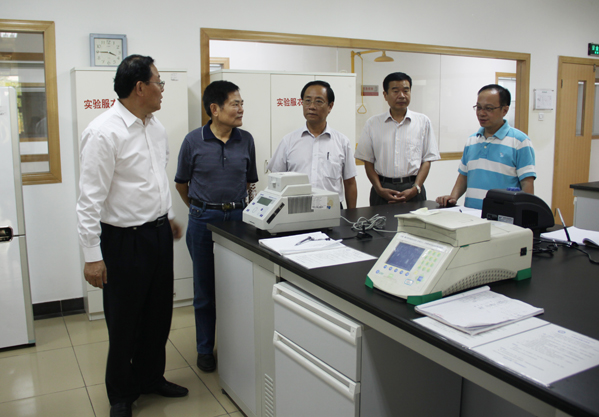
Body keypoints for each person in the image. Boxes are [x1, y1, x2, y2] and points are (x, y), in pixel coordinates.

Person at [76, 55, 188, 417]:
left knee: (159, 314)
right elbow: (89, 200)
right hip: (123, 241)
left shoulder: (155, 127)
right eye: (159, 82)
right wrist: (92, 256)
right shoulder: (103, 132)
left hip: (157, 234)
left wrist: (168, 217)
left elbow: (155, 178)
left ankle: (151, 377)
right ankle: (121, 395)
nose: (162, 89)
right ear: (140, 87)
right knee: (125, 321)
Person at [175, 80, 258, 373]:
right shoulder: (193, 141)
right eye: (235, 104)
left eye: (241, 103)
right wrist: (199, 209)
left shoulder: (246, 140)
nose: (241, 109)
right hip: (202, 221)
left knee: (238, 286)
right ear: (215, 109)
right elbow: (181, 184)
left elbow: (250, 182)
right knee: (205, 290)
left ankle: (236, 345)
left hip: (238, 220)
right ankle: (204, 349)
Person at [436, 84, 536, 209]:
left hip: (503, 215)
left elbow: (527, 183)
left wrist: (524, 212)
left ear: (504, 110)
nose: (481, 113)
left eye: (488, 108)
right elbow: (464, 176)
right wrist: (453, 197)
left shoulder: (520, 141)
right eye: (478, 107)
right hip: (471, 213)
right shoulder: (472, 140)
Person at [268, 80, 358, 208]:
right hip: (296, 208)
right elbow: (275, 180)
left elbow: (350, 183)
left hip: (331, 209)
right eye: (307, 101)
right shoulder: (288, 141)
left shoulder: (342, 142)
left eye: (318, 101)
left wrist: (351, 215)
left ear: (330, 106)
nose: (311, 106)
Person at [355, 72, 440, 206]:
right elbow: (368, 161)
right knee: (380, 221)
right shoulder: (372, 124)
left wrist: (415, 188)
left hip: (413, 188)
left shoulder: (423, 122)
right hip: (382, 189)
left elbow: (427, 160)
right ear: (385, 95)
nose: (402, 95)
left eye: (406, 91)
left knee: (416, 221)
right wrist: (379, 189)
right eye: (395, 91)